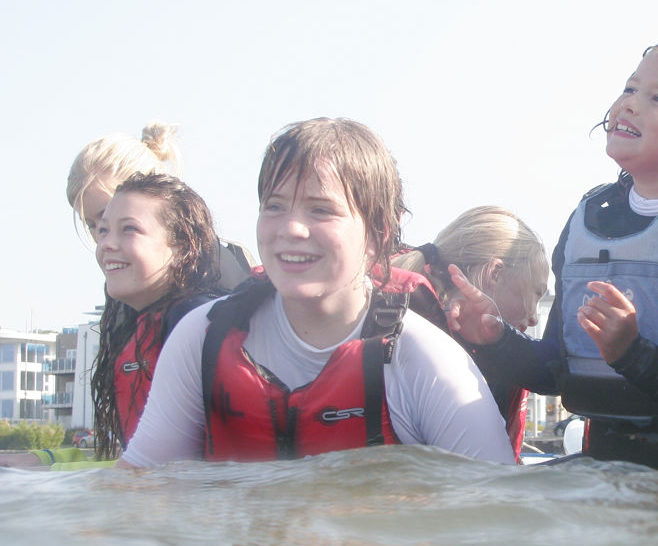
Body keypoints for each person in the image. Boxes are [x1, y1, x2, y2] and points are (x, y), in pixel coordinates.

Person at [118, 118, 514, 468]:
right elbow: (137, 488)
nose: (290, 228)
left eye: (320, 210)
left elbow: (495, 519)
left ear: (378, 235)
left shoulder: (423, 360)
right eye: (274, 206)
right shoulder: (202, 338)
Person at [447, 42, 658, 469]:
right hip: (602, 460)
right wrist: (496, 336)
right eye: (630, 88)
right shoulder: (586, 220)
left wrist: (630, 352)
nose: (629, 104)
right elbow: (553, 370)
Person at [3, 173, 225, 470]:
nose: (106, 243)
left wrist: (46, 472)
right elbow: (135, 462)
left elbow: (172, 471)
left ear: (181, 247)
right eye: (102, 230)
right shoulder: (140, 325)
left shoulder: (195, 324)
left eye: (129, 229)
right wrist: (45, 457)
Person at [393, 206, 550, 459]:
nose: (533, 318)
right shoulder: (446, 349)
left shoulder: (398, 316)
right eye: (535, 294)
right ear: (495, 273)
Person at [66, 121, 253, 288]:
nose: (104, 240)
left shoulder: (206, 295)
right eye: (93, 225)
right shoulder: (141, 295)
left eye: (109, 216)